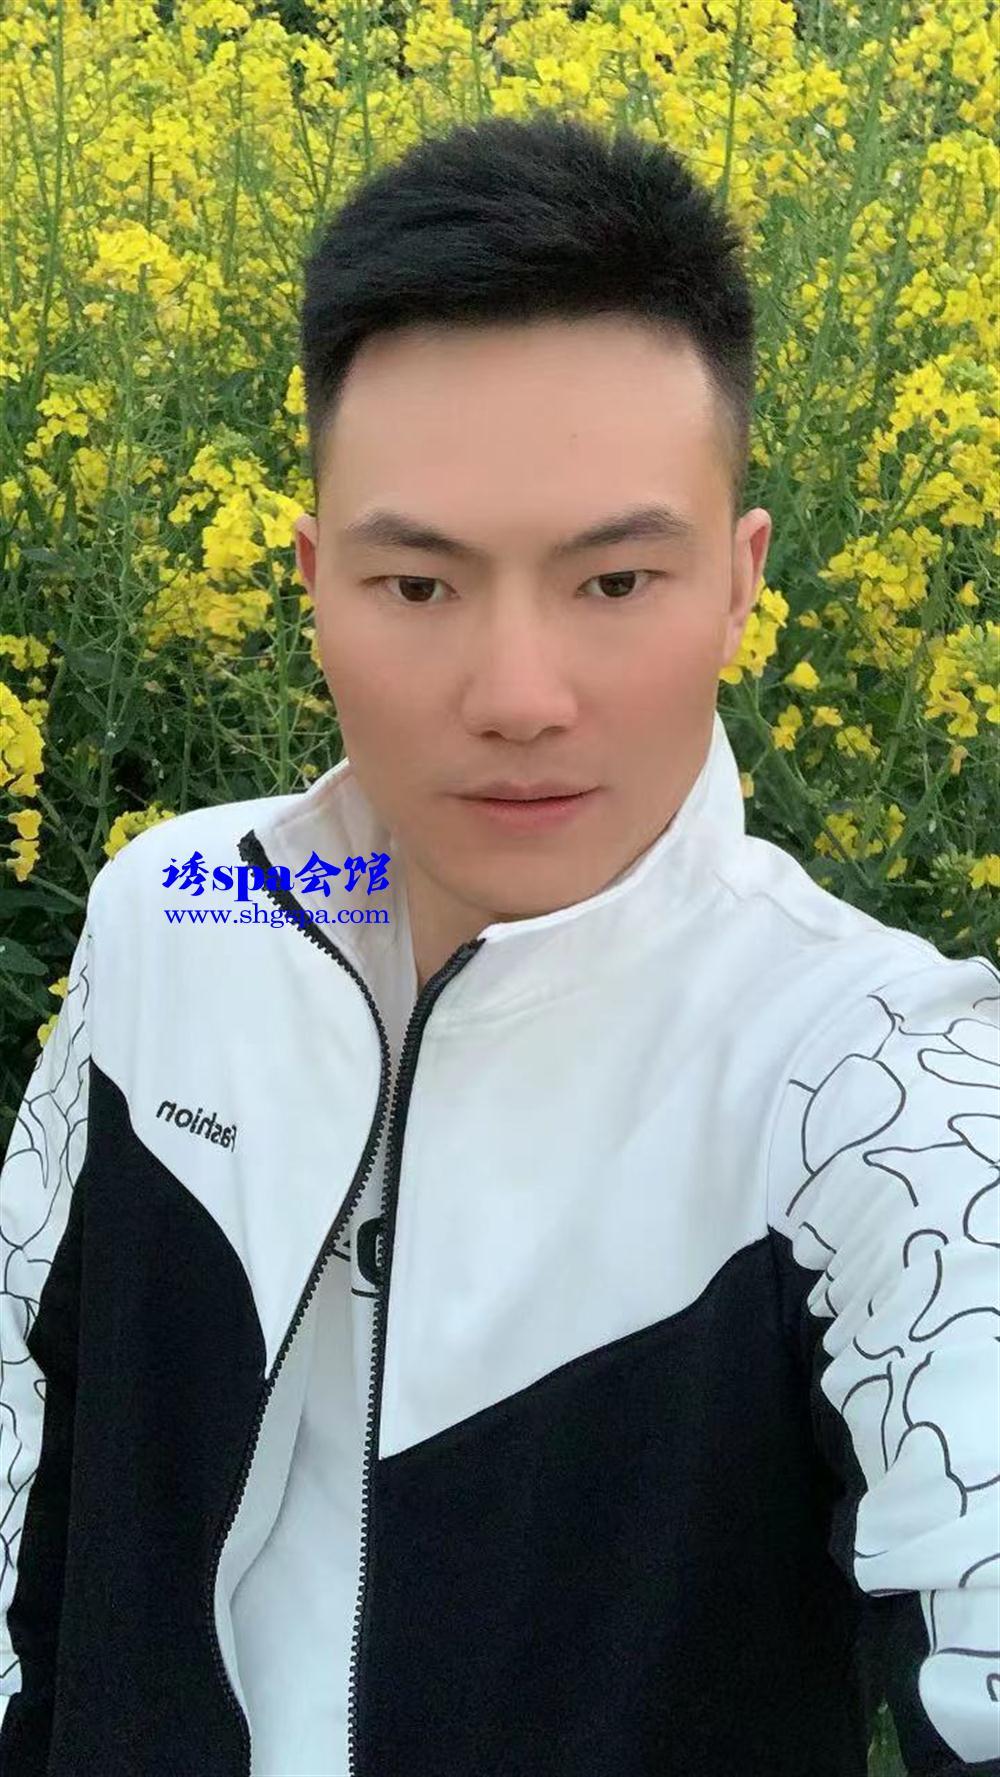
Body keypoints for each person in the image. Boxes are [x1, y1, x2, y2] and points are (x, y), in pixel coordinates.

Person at [1, 111, 998, 1777]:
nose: (518, 696)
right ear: (312, 582)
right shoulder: (175, 907)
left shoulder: (870, 1078)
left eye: (616, 583)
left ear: (741, 584)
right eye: (418, 587)